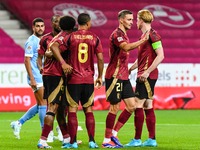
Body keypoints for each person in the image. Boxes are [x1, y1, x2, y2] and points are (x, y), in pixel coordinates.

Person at [51, 13, 104, 149]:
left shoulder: (70, 37)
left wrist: (63, 63)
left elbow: (54, 46)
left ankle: (73, 142)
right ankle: (92, 141)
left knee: (72, 111)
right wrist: (99, 76)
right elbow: (101, 58)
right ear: (88, 23)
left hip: (73, 79)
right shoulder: (95, 38)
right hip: (88, 79)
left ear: (77, 23)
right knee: (89, 110)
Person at [102, 10, 149, 148]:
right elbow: (126, 47)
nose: (131, 22)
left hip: (124, 77)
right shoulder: (117, 34)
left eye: (132, 19)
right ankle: (106, 140)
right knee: (114, 108)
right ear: (121, 20)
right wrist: (142, 40)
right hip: (115, 76)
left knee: (132, 106)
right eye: (129, 19)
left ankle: (114, 134)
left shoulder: (124, 35)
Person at [125, 9, 164, 147]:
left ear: (141, 20)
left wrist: (147, 72)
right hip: (143, 74)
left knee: (137, 105)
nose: (135, 22)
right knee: (148, 104)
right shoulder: (144, 36)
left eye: (136, 20)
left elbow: (160, 55)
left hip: (146, 76)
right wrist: (130, 68)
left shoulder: (153, 35)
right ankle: (151, 139)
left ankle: (136, 139)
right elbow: (141, 58)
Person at [37, 15, 76, 149]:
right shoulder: (62, 38)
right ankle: (42, 141)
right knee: (52, 107)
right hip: (55, 75)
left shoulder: (57, 36)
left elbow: (51, 51)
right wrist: (63, 62)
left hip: (52, 74)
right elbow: (53, 48)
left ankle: (66, 138)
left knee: (60, 109)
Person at [10, 18, 46, 139]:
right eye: (37, 26)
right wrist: (32, 79)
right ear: (33, 27)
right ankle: (45, 133)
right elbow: (27, 61)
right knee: (43, 103)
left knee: (42, 104)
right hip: (36, 76)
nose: (40, 28)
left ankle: (18, 123)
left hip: (42, 75)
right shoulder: (31, 41)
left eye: (42, 26)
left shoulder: (42, 40)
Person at [37, 14, 63, 143]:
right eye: (57, 22)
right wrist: (40, 67)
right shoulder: (45, 39)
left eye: (61, 22)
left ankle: (65, 135)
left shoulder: (67, 37)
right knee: (51, 106)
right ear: (52, 23)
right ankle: (48, 134)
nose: (59, 24)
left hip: (65, 75)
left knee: (64, 107)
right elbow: (39, 57)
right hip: (52, 75)